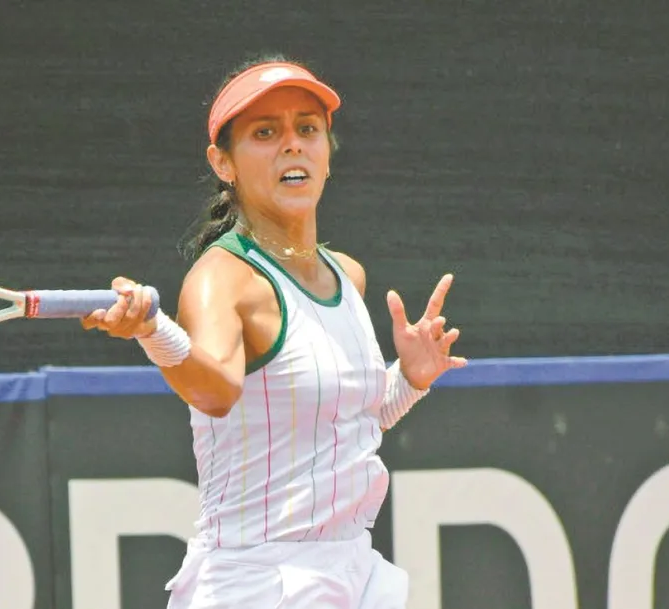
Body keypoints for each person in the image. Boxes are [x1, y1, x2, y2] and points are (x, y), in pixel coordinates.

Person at [81, 54, 467, 609]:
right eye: (266, 132)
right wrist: (152, 330)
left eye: (307, 129)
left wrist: (409, 379)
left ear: (328, 155)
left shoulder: (347, 275)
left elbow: (338, 421)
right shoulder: (220, 278)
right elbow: (215, 392)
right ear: (224, 163)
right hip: (257, 582)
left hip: (353, 571)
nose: (292, 145)